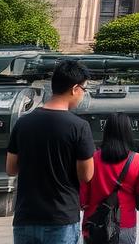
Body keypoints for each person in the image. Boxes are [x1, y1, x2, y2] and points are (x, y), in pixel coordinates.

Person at [6, 59, 95, 244]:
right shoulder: (79, 127)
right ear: (75, 88)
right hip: (61, 217)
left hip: (26, 216)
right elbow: (86, 175)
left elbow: (11, 168)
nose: (82, 95)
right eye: (84, 90)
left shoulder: (23, 123)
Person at [80, 112, 139, 244]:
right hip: (125, 223)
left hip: (95, 222)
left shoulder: (92, 159)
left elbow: (83, 195)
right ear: (128, 131)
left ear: (106, 131)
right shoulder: (138, 159)